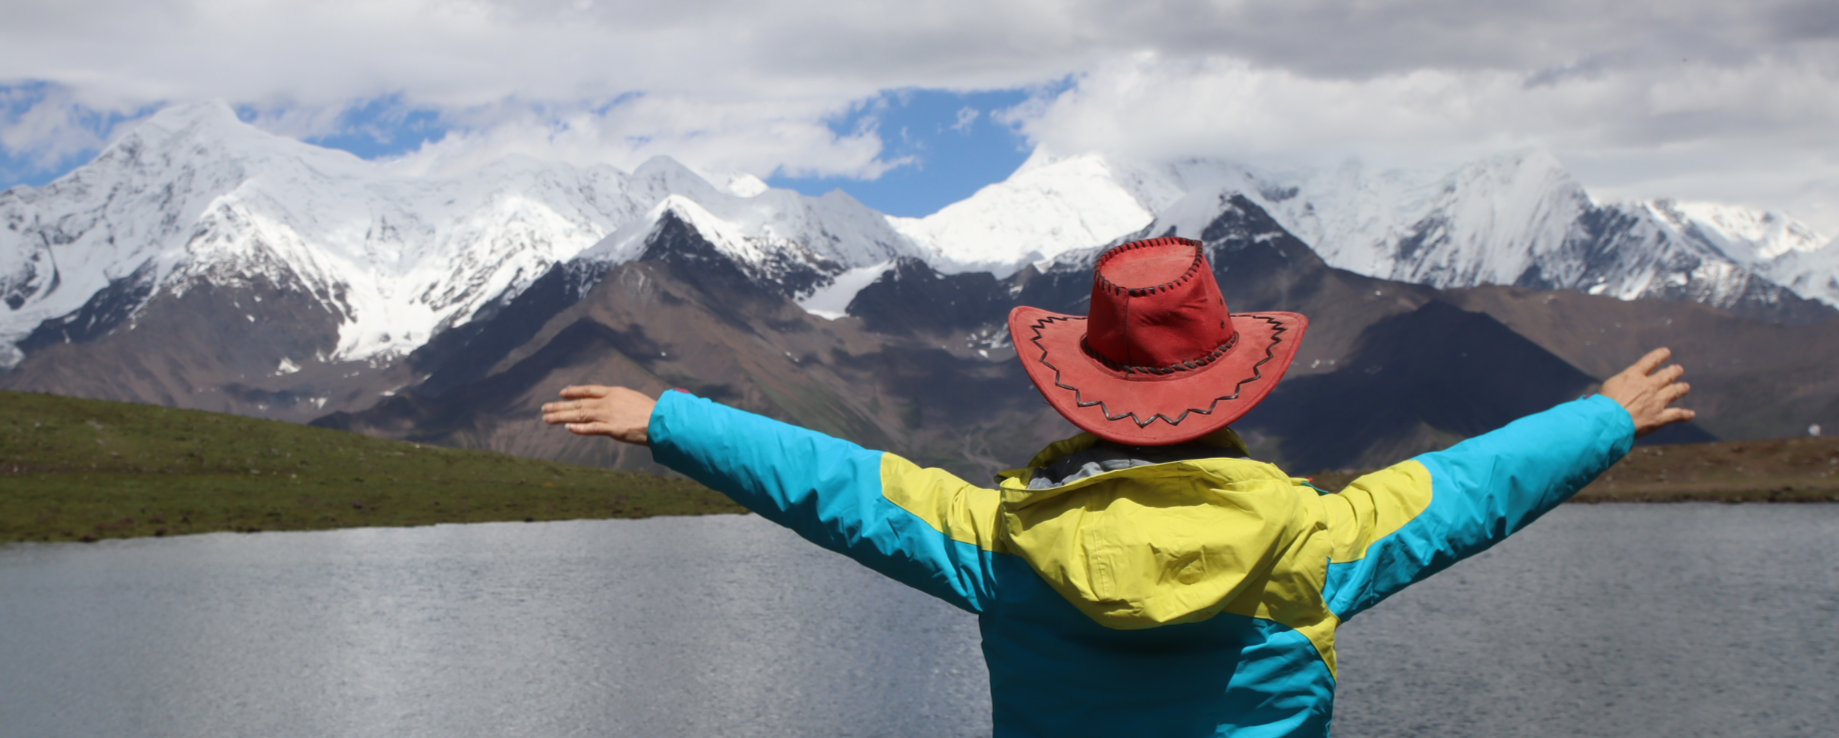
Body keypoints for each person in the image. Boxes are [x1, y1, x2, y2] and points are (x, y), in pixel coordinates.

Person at [542, 237, 1693, 737]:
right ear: (1233, 388)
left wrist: (671, 419)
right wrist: (1605, 415)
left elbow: (841, 485)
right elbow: (1468, 487)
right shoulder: (1314, 540)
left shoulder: (1001, 543)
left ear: (1083, 391)